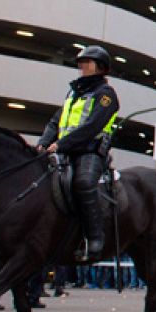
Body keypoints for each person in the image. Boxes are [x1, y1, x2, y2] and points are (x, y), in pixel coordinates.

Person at [36, 45, 120, 262]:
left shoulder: (106, 95)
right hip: (65, 151)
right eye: (81, 62)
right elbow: (56, 120)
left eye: (87, 62)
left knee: (83, 183)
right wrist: (43, 143)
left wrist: (61, 144)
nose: (82, 66)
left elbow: (92, 127)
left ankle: (95, 237)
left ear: (100, 67)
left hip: (90, 151)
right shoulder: (73, 93)